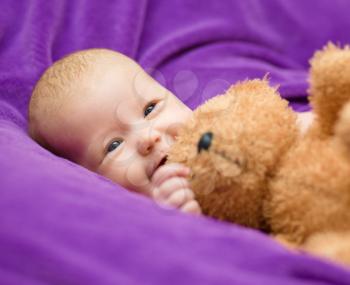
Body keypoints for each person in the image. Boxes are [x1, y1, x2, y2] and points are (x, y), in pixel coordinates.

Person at [28, 48, 313, 215]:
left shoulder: (220, 123)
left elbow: (282, 129)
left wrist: (306, 126)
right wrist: (182, 215)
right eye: (113, 145)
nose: (147, 138)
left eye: (150, 110)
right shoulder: (159, 210)